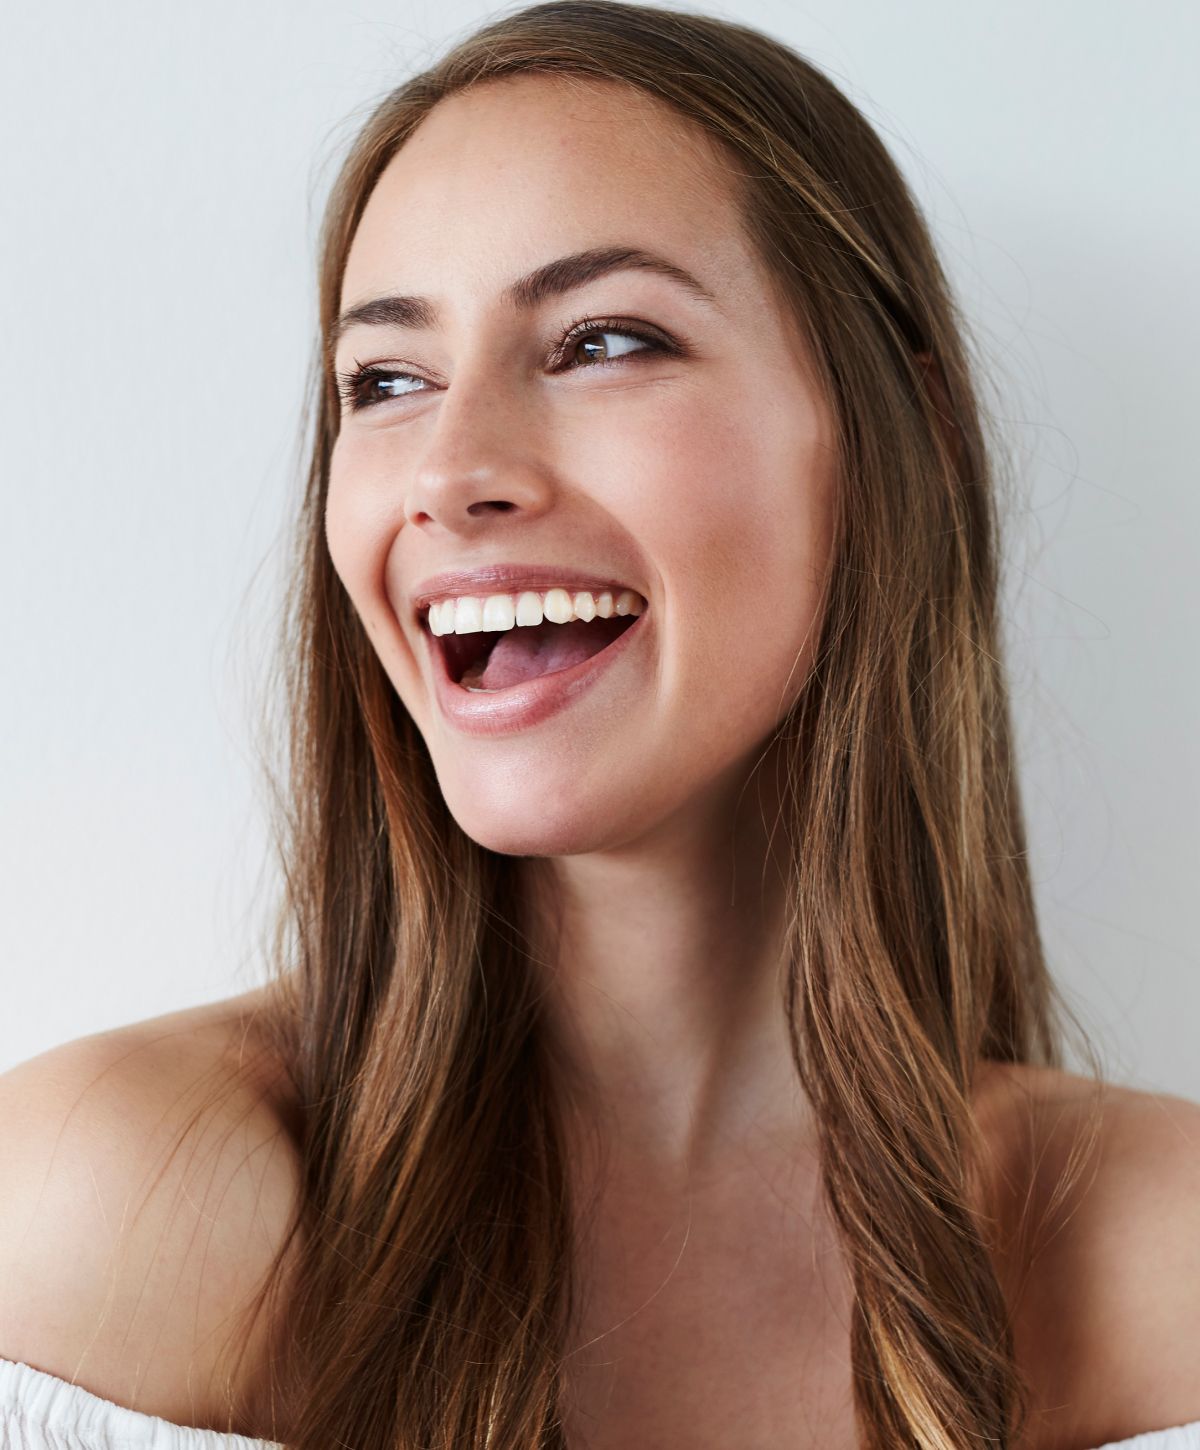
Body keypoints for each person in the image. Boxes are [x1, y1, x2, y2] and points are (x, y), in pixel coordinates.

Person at [1, 3, 1198, 1447]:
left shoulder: (1165, 1263)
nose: (450, 473)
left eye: (604, 341)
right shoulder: (99, 1202)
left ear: (905, 439)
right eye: (388, 380)